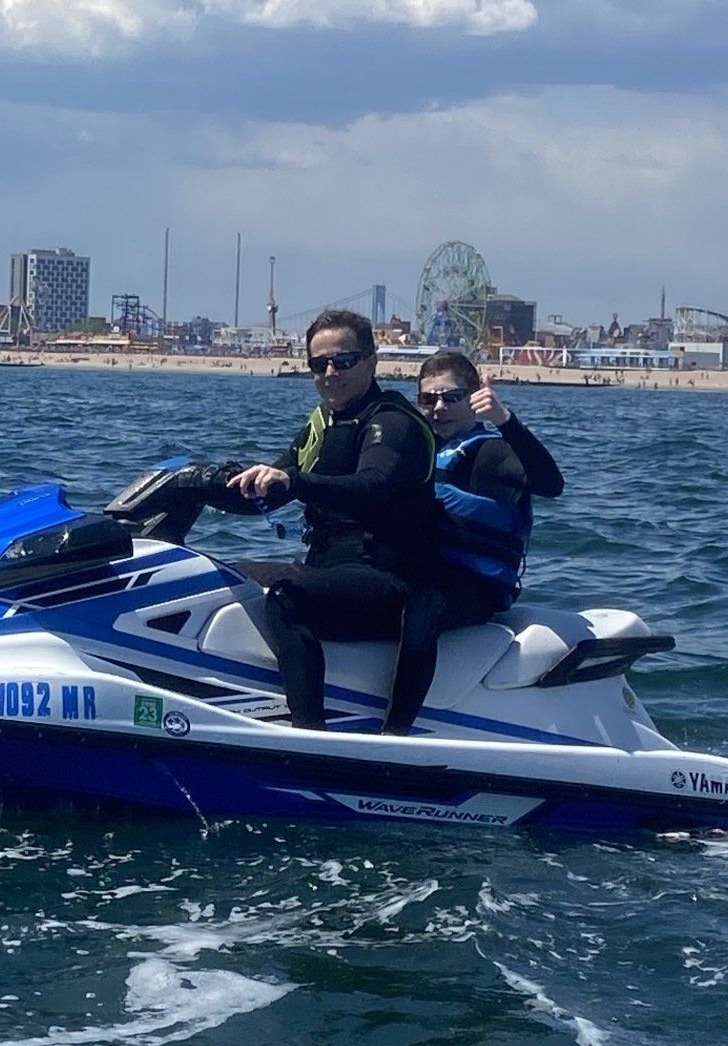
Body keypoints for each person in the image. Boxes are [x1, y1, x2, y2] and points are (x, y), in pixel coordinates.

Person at [225, 310, 442, 734]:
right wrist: (214, 483)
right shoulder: (322, 425)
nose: (330, 372)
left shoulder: (392, 423)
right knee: (221, 577)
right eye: (318, 364)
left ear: (371, 361)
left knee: (286, 597)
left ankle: (309, 730)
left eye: (343, 361)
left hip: (388, 579)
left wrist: (295, 481)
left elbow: (373, 482)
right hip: (331, 569)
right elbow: (279, 480)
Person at [414, 352, 564, 626]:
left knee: (417, 606)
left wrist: (503, 419)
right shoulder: (414, 451)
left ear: (474, 398)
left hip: (474, 588)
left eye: (451, 397)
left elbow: (551, 484)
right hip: (423, 575)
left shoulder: (490, 453)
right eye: (428, 399)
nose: (438, 407)